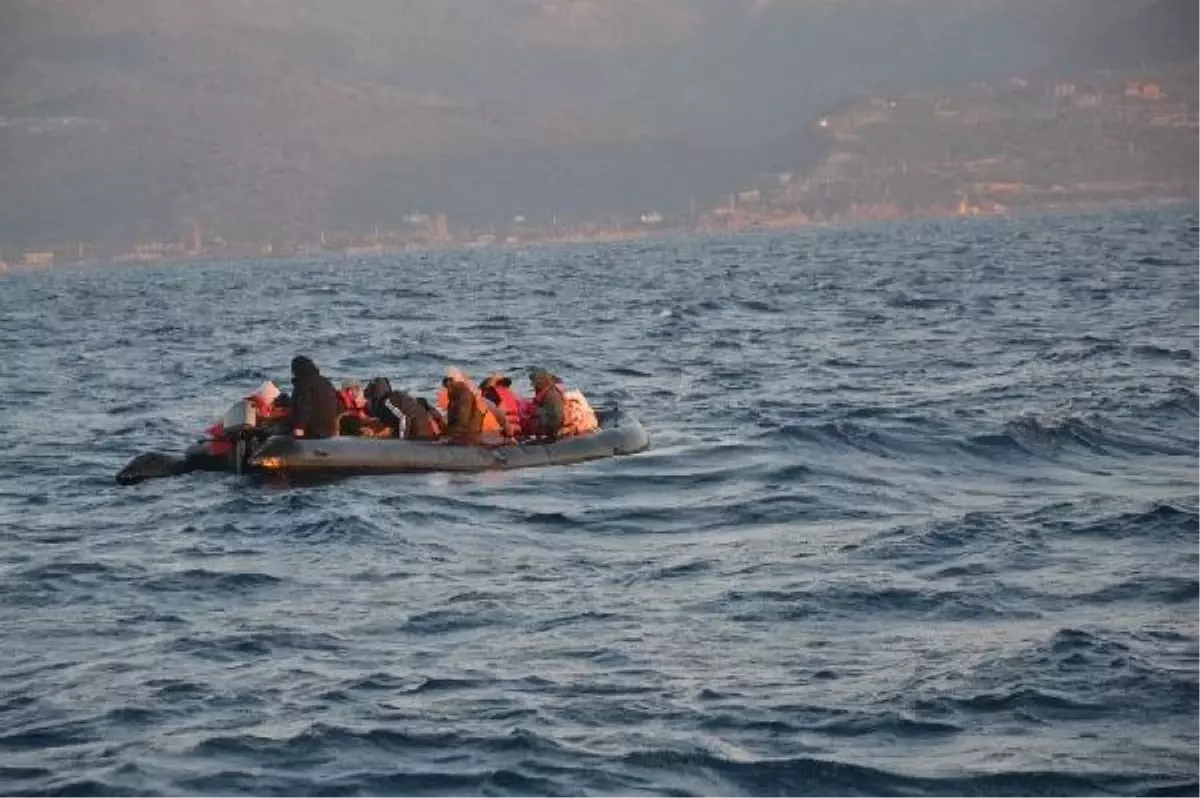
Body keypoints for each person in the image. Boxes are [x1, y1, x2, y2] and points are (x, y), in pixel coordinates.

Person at [525, 368, 599, 440]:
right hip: (553, 424)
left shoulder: (551, 395)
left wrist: (546, 430)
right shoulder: (546, 393)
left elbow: (558, 417)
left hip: (558, 427)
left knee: (538, 415)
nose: (533, 386)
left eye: (535, 383)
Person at [363, 377, 444, 441]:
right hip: (425, 430)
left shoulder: (387, 402)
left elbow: (404, 418)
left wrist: (402, 441)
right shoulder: (398, 397)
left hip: (419, 433)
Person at [289, 355, 339, 439]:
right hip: (329, 430)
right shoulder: (326, 382)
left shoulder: (303, 383)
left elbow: (304, 406)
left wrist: (299, 429)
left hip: (313, 431)